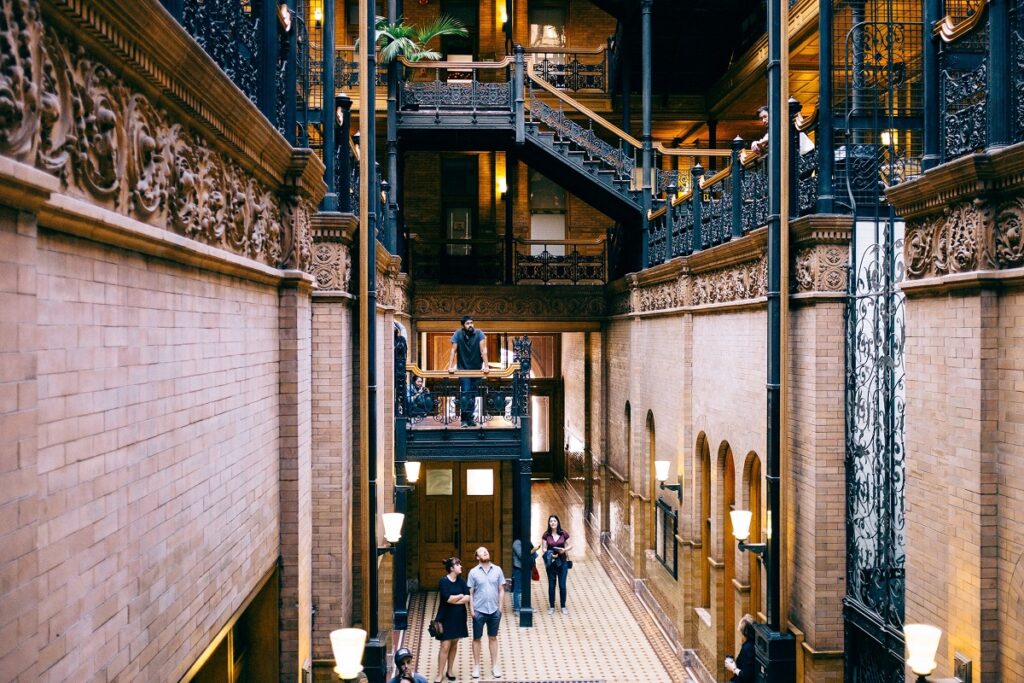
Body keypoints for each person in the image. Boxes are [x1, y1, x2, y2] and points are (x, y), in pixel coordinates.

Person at [466, 546, 505, 679]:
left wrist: (500, 609)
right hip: (479, 611)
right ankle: (476, 666)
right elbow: (470, 593)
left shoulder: (498, 570)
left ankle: (495, 666)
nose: (485, 552)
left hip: (494, 610)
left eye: (486, 550)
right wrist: (472, 611)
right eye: (482, 551)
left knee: (493, 638)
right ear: (477, 557)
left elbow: (501, 590)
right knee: (477, 639)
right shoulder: (473, 573)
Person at [447, 315, 488, 428]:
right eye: (467, 323)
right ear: (463, 325)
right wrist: (450, 366)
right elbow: (453, 350)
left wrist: (486, 366)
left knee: (473, 395)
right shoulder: (458, 334)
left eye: (471, 323)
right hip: (463, 370)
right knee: (465, 394)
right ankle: (464, 420)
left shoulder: (479, 333)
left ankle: (470, 419)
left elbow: (483, 350)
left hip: (476, 370)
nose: (470, 325)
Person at [434, 557, 470, 683]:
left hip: (459, 617)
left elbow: (468, 597)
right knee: (445, 645)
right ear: (451, 568)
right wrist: (460, 596)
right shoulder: (443, 582)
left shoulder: (461, 581)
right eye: (458, 564)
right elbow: (447, 598)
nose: (461, 566)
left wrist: (457, 599)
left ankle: (449, 671)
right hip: (446, 617)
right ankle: (439, 674)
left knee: (454, 644)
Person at [539, 514, 573, 615]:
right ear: (549, 523)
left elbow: (570, 545)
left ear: (557, 522)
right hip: (551, 563)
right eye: (551, 521)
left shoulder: (563, 534)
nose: (552, 523)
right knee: (551, 584)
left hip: (562, 562)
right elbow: (544, 548)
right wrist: (549, 554)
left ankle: (563, 606)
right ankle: (551, 606)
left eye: (554, 521)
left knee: (562, 585)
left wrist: (564, 550)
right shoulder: (546, 535)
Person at [725, 613, 757, 683]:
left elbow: (747, 675)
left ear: (744, 633)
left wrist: (733, 668)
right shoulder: (753, 643)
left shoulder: (748, 648)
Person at [510, 537, 538, 616]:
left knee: (526, 588)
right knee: (517, 589)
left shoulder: (526, 540)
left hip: (527, 568)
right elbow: (522, 556)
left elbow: (533, 555)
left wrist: (533, 551)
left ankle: (526, 606)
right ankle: (516, 609)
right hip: (519, 569)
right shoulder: (517, 543)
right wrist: (533, 551)